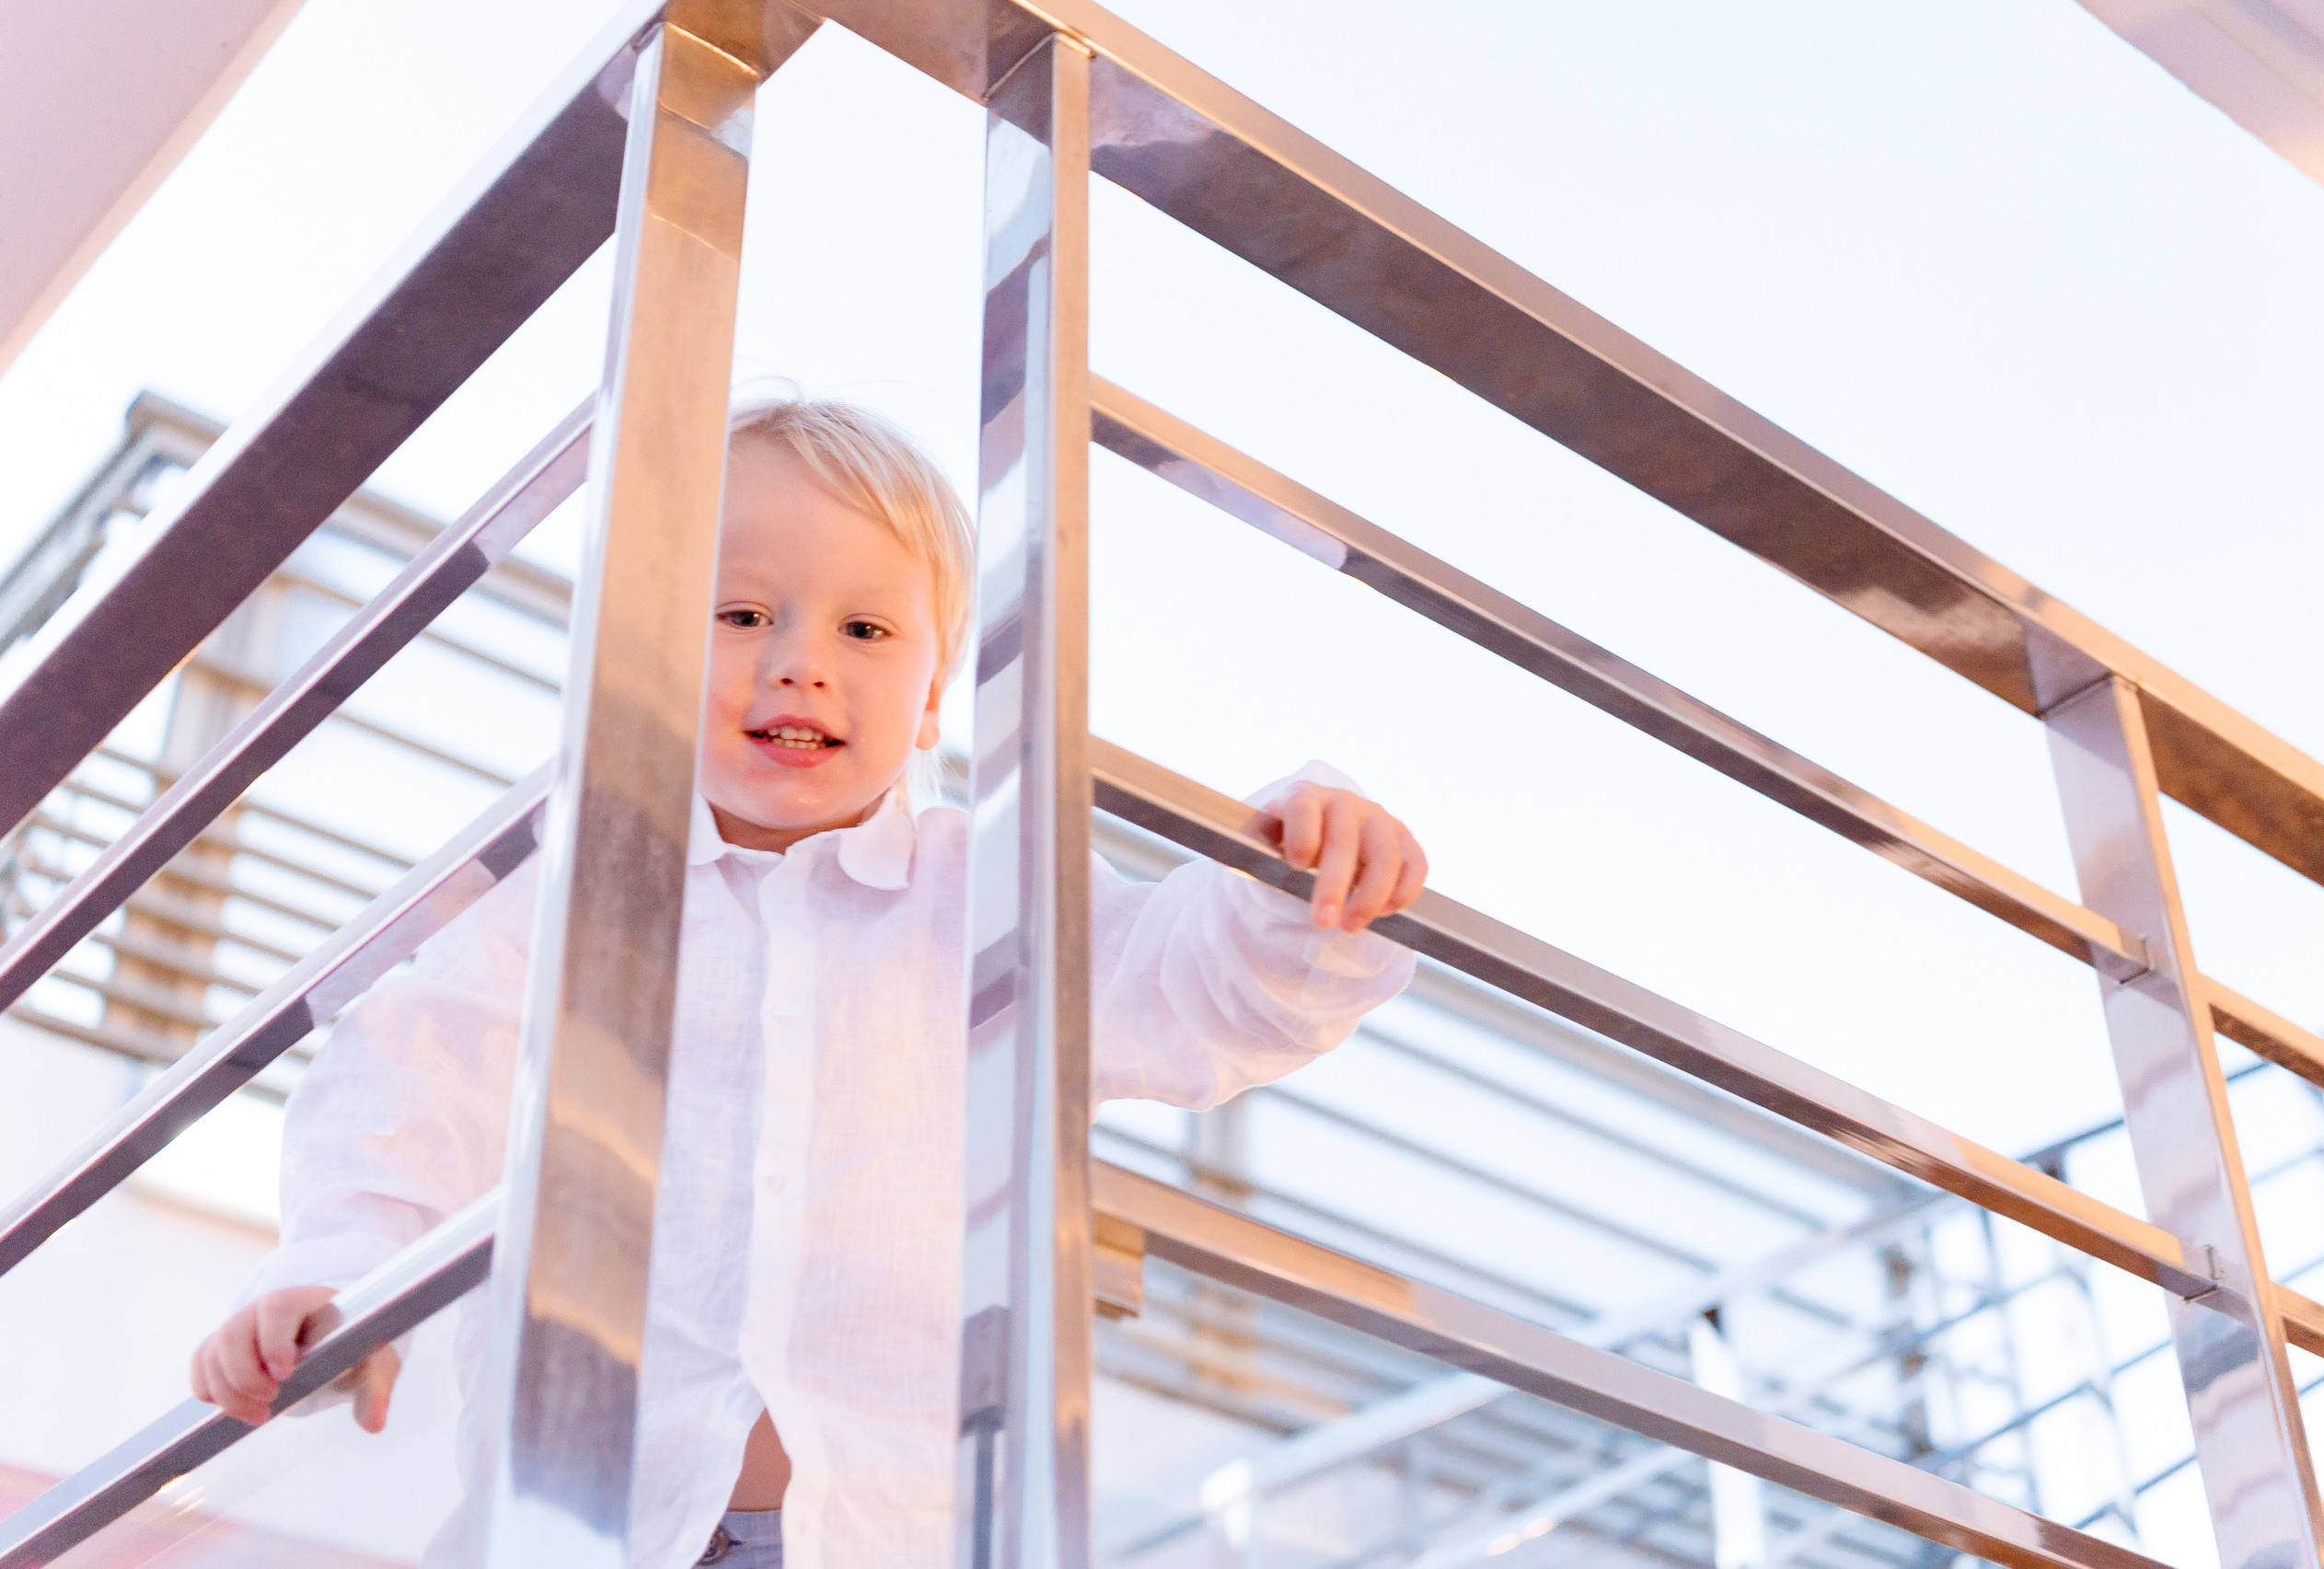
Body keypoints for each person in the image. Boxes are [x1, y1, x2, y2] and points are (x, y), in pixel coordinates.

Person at [188, 397, 1428, 1569]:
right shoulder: (578, 893)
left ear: (936, 689)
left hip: (891, 1532)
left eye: (866, 628)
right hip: (595, 1527)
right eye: (737, 614)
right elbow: (413, 1071)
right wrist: (340, 1264)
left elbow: (1188, 986)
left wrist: (1294, 873)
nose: (798, 663)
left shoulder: (995, 891)